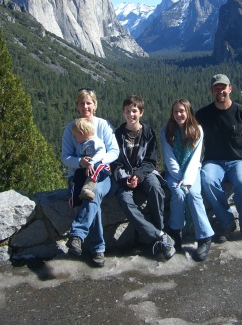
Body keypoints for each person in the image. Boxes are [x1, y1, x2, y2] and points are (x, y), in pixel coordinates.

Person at [195, 74, 242, 245]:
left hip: (238, 161)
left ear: (230, 88)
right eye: (216, 88)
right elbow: (192, 139)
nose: (220, 91)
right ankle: (227, 223)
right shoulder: (203, 115)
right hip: (213, 161)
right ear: (212, 91)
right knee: (207, 180)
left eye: (223, 87)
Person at [111, 95, 176, 260]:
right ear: (123, 113)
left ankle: (158, 233)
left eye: (134, 111)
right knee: (125, 200)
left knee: (156, 189)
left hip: (145, 173)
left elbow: (150, 161)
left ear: (141, 112)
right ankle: (159, 236)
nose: (131, 115)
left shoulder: (148, 133)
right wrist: (124, 178)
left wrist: (138, 176)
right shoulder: (118, 135)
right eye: (127, 111)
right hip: (124, 176)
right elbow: (115, 162)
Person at [61, 88, 119, 267]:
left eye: (89, 103)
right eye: (81, 103)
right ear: (77, 106)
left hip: (101, 175)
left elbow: (114, 151)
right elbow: (65, 157)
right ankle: (98, 249)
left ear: (95, 105)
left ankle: (78, 235)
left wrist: (96, 161)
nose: (85, 106)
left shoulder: (103, 125)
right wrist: (80, 162)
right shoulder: (71, 129)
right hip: (78, 176)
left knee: (93, 193)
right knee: (91, 199)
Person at [161, 99, 214, 261]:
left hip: (193, 172)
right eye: (175, 111)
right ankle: (176, 232)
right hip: (173, 173)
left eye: (182, 111)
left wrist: (188, 180)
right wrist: (180, 178)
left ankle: (204, 237)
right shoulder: (166, 131)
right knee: (177, 193)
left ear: (188, 112)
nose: (178, 114)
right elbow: (169, 158)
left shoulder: (197, 130)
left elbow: (195, 157)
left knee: (193, 195)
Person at [70, 118, 107, 201]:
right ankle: (76, 201)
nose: (75, 138)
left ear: (81, 133)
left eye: (75, 136)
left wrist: (92, 162)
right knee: (78, 172)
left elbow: (101, 152)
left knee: (97, 167)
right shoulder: (80, 145)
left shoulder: (95, 141)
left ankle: (87, 188)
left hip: (99, 169)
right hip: (86, 170)